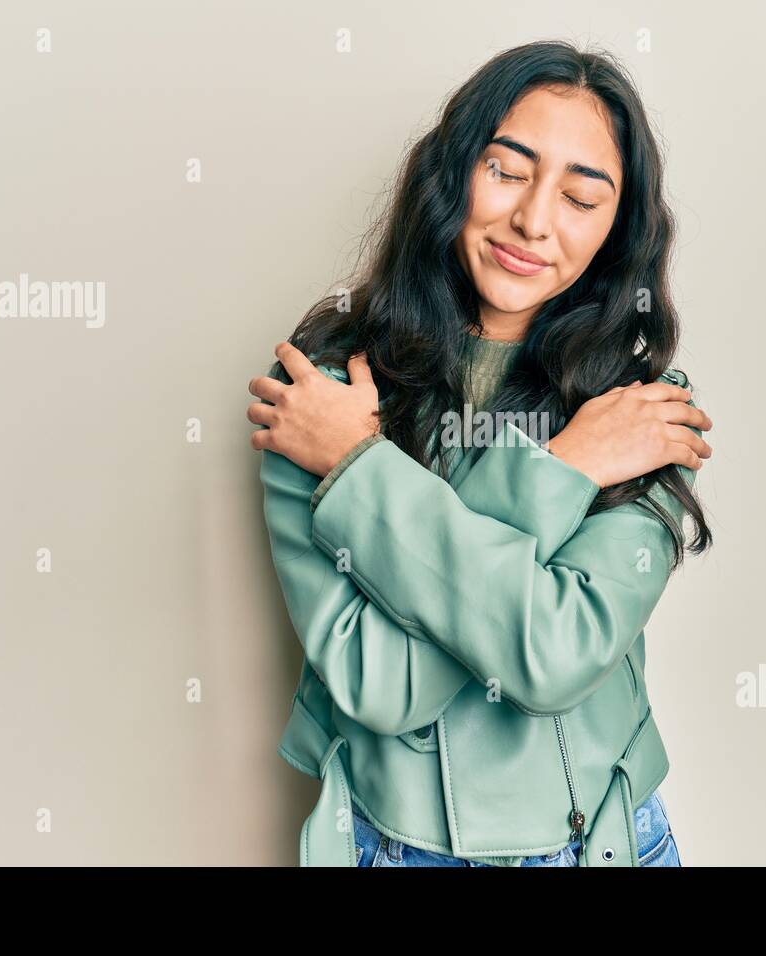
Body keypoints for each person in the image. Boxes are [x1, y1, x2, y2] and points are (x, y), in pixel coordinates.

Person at [246, 39, 713, 867]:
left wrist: (361, 471)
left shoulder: (636, 410)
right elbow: (378, 683)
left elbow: (555, 656)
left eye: (581, 196)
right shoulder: (321, 398)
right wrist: (562, 469)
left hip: (603, 845)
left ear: (617, 228)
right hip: (400, 849)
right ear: (453, 171)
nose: (534, 221)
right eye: (506, 170)